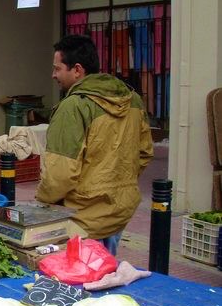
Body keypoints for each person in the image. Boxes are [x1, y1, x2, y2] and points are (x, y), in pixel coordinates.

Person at [35, 34, 154, 255]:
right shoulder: (133, 99)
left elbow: (59, 174)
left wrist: (41, 204)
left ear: (77, 69)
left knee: (79, 282)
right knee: (106, 272)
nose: (53, 75)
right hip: (120, 210)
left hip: (82, 218)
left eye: (57, 68)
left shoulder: (73, 107)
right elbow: (144, 153)